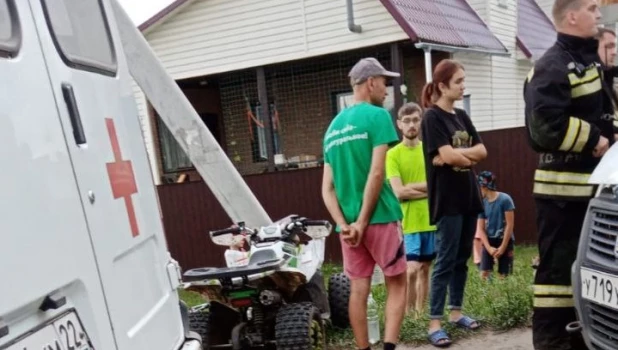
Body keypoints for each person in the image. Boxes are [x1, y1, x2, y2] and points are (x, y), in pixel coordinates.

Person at [523, 1, 614, 349]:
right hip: (562, 197)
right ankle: (553, 341)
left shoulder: (589, 64)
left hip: (595, 197)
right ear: (571, 16)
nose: (599, 13)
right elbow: (544, 127)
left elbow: (603, 116)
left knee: (594, 273)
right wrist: (596, 140)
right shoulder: (551, 66)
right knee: (557, 279)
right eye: (592, 8)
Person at [321, 57, 407, 350]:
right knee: (398, 282)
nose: (386, 91)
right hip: (380, 216)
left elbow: (327, 189)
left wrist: (345, 224)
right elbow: (378, 171)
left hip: (349, 230)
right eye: (384, 84)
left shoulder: (332, 129)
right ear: (370, 83)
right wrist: (364, 221)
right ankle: (389, 347)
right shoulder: (377, 116)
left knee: (359, 288)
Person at [420, 59, 487, 347]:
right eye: (458, 82)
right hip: (446, 200)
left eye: (463, 80)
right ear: (442, 85)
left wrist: (457, 155)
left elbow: (483, 151)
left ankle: (456, 312)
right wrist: (461, 156)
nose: (463, 86)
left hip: (468, 196)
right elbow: (446, 157)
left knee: (461, 260)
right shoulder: (432, 118)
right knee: (445, 261)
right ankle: (434, 323)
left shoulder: (461, 116)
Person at [386, 102, 436, 317]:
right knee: (411, 269)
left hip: (430, 219)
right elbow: (398, 192)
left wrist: (412, 188)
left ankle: (420, 315)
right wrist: (427, 190)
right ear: (399, 124)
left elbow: (438, 186)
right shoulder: (392, 155)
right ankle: (407, 315)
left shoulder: (428, 151)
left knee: (425, 269)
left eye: (415, 119)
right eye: (407, 121)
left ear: (421, 121)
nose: (411, 125)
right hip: (407, 222)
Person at [475, 171, 515, 280]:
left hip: (505, 240)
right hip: (489, 241)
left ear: (484, 186)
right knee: (484, 274)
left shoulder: (505, 199)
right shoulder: (482, 203)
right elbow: (481, 228)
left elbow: (509, 224)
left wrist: (502, 247)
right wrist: (488, 248)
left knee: (504, 276)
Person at [595, 27, 618, 141]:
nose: (614, 52)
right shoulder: (589, 81)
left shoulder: (608, 75)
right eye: (609, 47)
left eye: (614, 47)